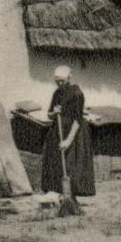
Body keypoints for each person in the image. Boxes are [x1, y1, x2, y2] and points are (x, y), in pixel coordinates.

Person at [41, 65, 95, 198]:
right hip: (57, 131)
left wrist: (68, 141)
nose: (59, 83)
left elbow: (77, 119)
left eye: (62, 81)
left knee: (72, 164)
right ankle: (56, 192)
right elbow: (49, 114)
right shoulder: (57, 93)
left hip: (74, 133)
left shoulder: (77, 93)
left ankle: (71, 196)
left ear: (69, 78)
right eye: (57, 81)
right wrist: (54, 112)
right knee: (54, 161)